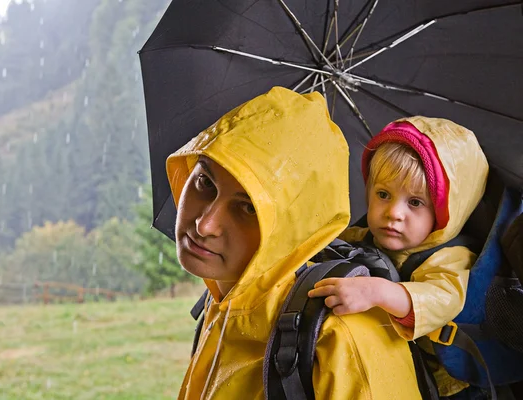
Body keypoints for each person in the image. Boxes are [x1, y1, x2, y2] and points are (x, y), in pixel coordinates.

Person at [167, 86, 421, 399]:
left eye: (249, 207)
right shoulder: (222, 300)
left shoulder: (341, 336)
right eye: (205, 182)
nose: (205, 225)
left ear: (291, 227)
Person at [308, 117, 489, 397]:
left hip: (444, 384)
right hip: (390, 363)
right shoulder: (363, 234)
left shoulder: (452, 258)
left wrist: (379, 292)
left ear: (446, 212)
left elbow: (442, 298)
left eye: (415, 202)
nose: (393, 212)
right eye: (383, 194)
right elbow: (330, 241)